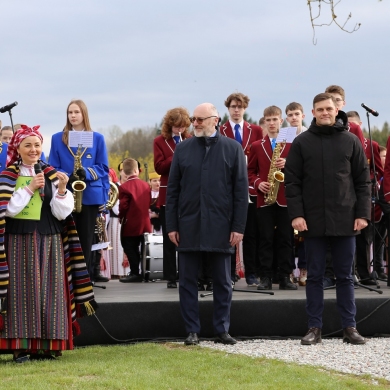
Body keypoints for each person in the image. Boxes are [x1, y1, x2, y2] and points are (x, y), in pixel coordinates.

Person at [0, 125, 96, 362]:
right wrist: (30, 188)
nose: (34, 149)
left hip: (50, 239)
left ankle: (48, 345)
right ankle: (21, 347)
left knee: (50, 292)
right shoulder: (7, 176)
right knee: (20, 293)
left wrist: (62, 189)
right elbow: (8, 210)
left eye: (37, 145)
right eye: (28, 145)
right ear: (18, 148)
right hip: (17, 240)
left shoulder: (52, 173)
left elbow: (62, 213)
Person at [285, 93, 371, 345]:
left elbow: (362, 182)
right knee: (314, 277)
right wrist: (297, 215)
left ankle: (350, 327)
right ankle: (314, 327)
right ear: (312, 113)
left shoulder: (351, 141)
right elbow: (293, 182)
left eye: (329, 109)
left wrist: (362, 214)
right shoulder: (301, 143)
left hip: (346, 219)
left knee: (345, 276)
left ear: (337, 110)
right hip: (312, 221)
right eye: (320, 109)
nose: (325, 113)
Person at [166, 102, 248, 346]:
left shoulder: (233, 149)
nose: (196, 123)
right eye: (194, 119)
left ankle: (222, 329)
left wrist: (239, 227)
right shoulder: (182, 150)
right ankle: (192, 330)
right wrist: (172, 225)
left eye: (201, 119)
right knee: (187, 281)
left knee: (223, 281)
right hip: (188, 225)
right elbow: (173, 191)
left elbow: (240, 193)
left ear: (216, 119)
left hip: (222, 226)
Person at [48, 99, 110, 283]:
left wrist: (87, 173)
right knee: (64, 238)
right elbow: (52, 165)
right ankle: (65, 280)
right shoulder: (57, 138)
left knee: (86, 238)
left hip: (89, 195)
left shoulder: (97, 138)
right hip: (65, 193)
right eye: (69, 112)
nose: (73, 116)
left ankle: (84, 279)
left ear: (84, 114)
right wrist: (68, 176)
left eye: (76, 112)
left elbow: (103, 167)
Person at [247, 105, 297, 291]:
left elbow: (303, 168)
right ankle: (265, 277)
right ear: (264, 123)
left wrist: (289, 163)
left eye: (275, 119)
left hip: (285, 197)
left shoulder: (292, 143)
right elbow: (250, 172)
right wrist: (258, 182)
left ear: (281, 121)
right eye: (268, 120)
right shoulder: (256, 145)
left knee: (286, 238)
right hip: (265, 197)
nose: (272, 123)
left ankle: (285, 277)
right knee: (265, 238)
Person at [220, 92, 263, 286]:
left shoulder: (255, 130)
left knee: (252, 233)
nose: (236, 110)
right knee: (228, 233)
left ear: (245, 109)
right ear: (228, 109)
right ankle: (229, 272)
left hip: (251, 189)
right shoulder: (220, 130)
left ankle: (252, 272)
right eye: (233, 107)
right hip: (228, 188)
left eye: (240, 107)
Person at [153, 107, 191, 288]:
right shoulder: (160, 141)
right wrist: (177, 155)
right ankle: (170, 276)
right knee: (170, 236)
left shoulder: (190, 140)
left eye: (183, 127)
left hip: (188, 193)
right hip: (168, 193)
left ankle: (186, 273)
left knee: (187, 236)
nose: (180, 130)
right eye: (176, 127)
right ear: (170, 125)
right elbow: (159, 167)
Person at [119, 158, 152, 283]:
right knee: (142, 248)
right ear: (136, 170)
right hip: (145, 222)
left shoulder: (124, 187)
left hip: (131, 223)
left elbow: (123, 206)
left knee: (129, 247)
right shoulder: (146, 185)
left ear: (125, 172)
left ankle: (135, 272)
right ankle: (143, 272)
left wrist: (121, 217)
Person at [285, 102, 308, 285]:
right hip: (288, 187)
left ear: (303, 116)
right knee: (288, 235)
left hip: (306, 188)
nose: (293, 117)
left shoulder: (309, 134)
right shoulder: (283, 135)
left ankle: (305, 269)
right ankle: (290, 270)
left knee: (305, 234)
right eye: (290, 115)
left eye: (296, 114)